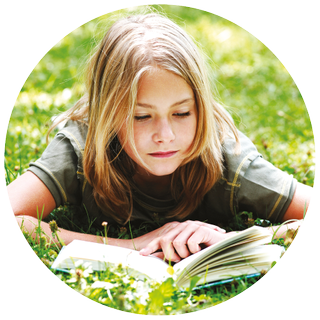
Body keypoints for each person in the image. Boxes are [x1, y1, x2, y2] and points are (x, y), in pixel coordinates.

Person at [7, 13, 312, 263]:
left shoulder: (228, 161)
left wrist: (229, 241)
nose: (165, 136)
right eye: (140, 116)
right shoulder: (82, 147)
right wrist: (133, 247)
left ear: (202, 109)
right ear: (108, 115)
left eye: (182, 114)